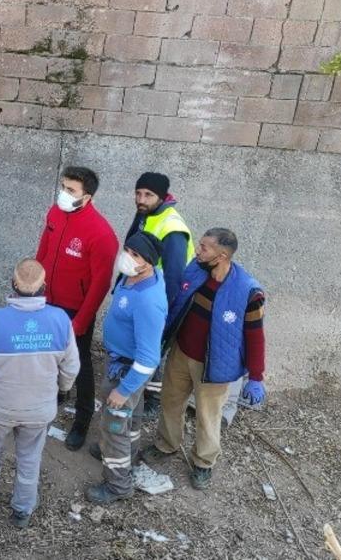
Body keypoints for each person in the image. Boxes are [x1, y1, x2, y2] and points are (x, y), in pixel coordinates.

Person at [143, 228, 267, 490]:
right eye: (199, 245)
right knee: (170, 401)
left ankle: (203, 462)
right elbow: (176, 303)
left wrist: (255, 377)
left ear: (222, 256)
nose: (198, 251)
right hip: (181, 353)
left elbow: (255, 336)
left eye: (204, 248)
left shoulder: (247, 292)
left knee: (208, 414)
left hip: (215, 366)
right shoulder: (196, 270)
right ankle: (167, 444)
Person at [0, 259, 79, 528]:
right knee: (30, 457)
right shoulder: (60, 320)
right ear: (44, 287)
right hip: (39, 409)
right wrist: (62, 391)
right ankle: (22, 509)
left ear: (13, 284)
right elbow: (71, 367)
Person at [35, 166, 119, 450]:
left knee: (80, 364)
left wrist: (82, 320)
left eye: (71, 190)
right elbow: (43, 251)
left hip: (75, 309)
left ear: (88, 197)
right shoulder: (55, 213)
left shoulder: (101, 234)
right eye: (63, 187)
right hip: (47, 299)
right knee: (47, 353)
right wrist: (35, 289)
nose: (63, 194)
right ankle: (55, 395)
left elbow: (100, 284)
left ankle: (82, 419)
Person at [86, 232, 167, 505]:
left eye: (136, 255)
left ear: (148, 263)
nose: (127, 257)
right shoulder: (131, 277)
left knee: (113, 425)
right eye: (128, 250)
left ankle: (118, 485)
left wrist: (124, 389)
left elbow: (148, 358)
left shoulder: (148, 302)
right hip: (121, 364)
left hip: (126, 373)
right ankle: (127, 458)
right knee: (130, 419)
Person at [123, 172, 193, 415]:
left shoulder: (173, 229)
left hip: (157, 298)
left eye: (148, 195)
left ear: (161, 197)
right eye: (138, 193)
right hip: (142, 290)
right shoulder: (146, 212)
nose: (141, 199)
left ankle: (150, 400)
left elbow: (174, 278)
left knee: (151, 348)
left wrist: (162, 314)